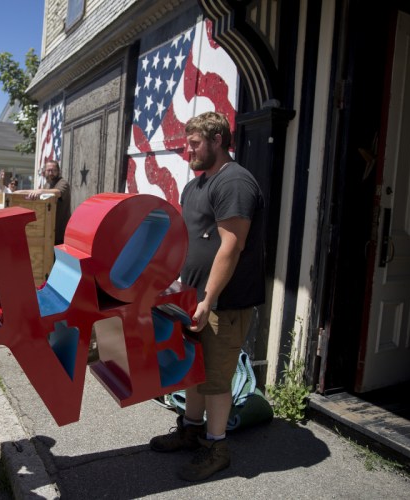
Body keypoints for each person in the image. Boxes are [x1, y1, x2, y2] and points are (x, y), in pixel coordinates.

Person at [149, 111, 265, 482]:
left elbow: (232, 245)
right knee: (193, 372)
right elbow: (188, 241)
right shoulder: (195, 186)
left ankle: (217, 447)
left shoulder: (234, 182)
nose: (188, 151)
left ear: (217, 140)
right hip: (191, 299)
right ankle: (191, 429)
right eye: (187, 143)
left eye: (195, 143)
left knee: (216, 378)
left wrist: (209, 298)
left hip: (222, 303)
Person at [14, 159, 71, 244]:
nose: (51, 173)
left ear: (58, 171)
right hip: (47, 231)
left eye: (54, 170)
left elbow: (57, 192)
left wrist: (40, 191)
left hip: (60, 233)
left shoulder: (62, 183)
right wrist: (18, 192)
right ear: (44, 172)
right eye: (49, 170)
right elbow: (36, 192)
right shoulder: (47, 185)